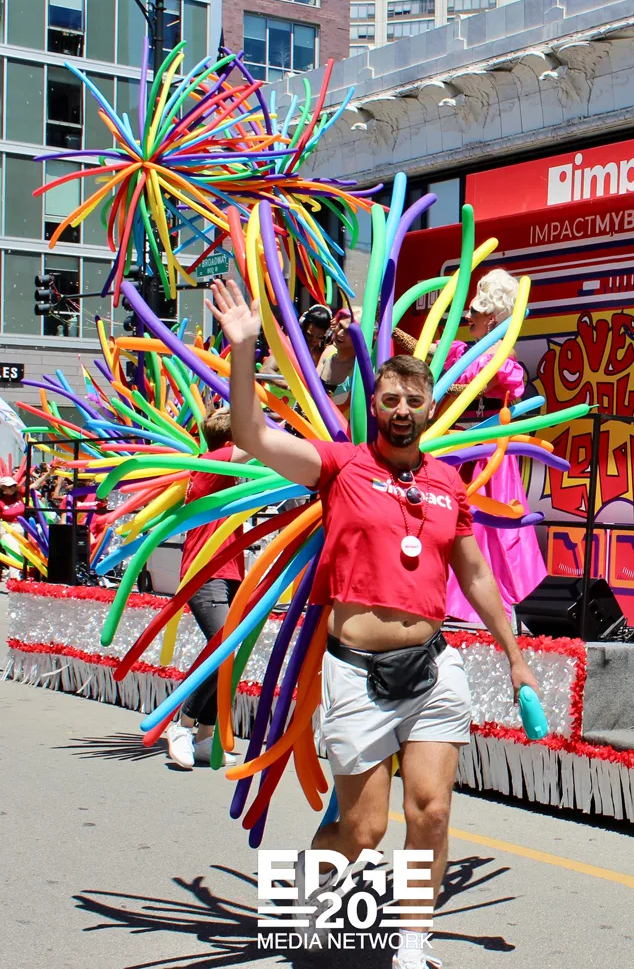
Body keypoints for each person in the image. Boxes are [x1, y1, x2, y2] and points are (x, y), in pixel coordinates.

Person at [205, 279, 539, 969]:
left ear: (429, 407)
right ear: (376, 406)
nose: (402, 410)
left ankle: (412, 945)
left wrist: (514, 655)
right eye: (390, 399)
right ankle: (301, 897)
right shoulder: (341, 467)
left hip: (432, 669)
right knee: (361, 831)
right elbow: (250, 434)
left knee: (431, 812)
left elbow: (476, 575)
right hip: (357, 673)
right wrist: (243, 351)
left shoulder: (446, 483)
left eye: (413, 400)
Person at [443, 269, 547, 625]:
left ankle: (487, 603)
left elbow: (483, 383)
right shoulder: (461, 351)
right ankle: (451, 602)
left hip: (487, 454)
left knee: (490, 525)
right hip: (457, 449)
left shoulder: (502, 353)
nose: (467, 316)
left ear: (492, 317)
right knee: (453, 522)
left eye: (475, 310)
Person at [165, 409, 251, 770]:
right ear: (231, 441)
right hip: (207, 573)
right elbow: (259, 446)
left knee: (229, 652)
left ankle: (205, 736)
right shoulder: (214, 463)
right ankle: (182, 724)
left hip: (227, 572)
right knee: (223, 647)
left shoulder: (219, 469)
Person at [317, 307, 357, 393]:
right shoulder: (329, 352)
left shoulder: (359, 368)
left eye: (348, 332)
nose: (339, 333)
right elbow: (311, 385)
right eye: (340, 326)